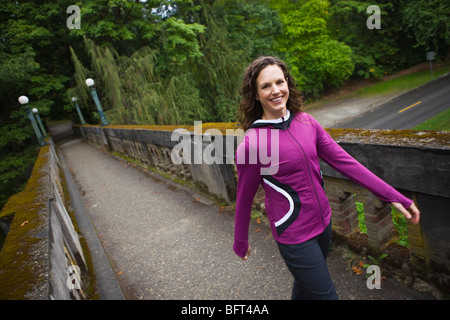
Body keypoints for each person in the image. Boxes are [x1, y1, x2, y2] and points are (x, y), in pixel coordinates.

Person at [233, 56, 420, 300]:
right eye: (266, 86)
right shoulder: (252, 144)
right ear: (256, 95)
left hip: (324, 224)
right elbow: (244, 198)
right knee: (325, 295)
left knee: (305, 286)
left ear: (288, 83)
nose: (276, 90)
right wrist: (240, 240)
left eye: (280, 82)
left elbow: (347, 164)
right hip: (294, 235)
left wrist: (394, 196)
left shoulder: (307, 122)